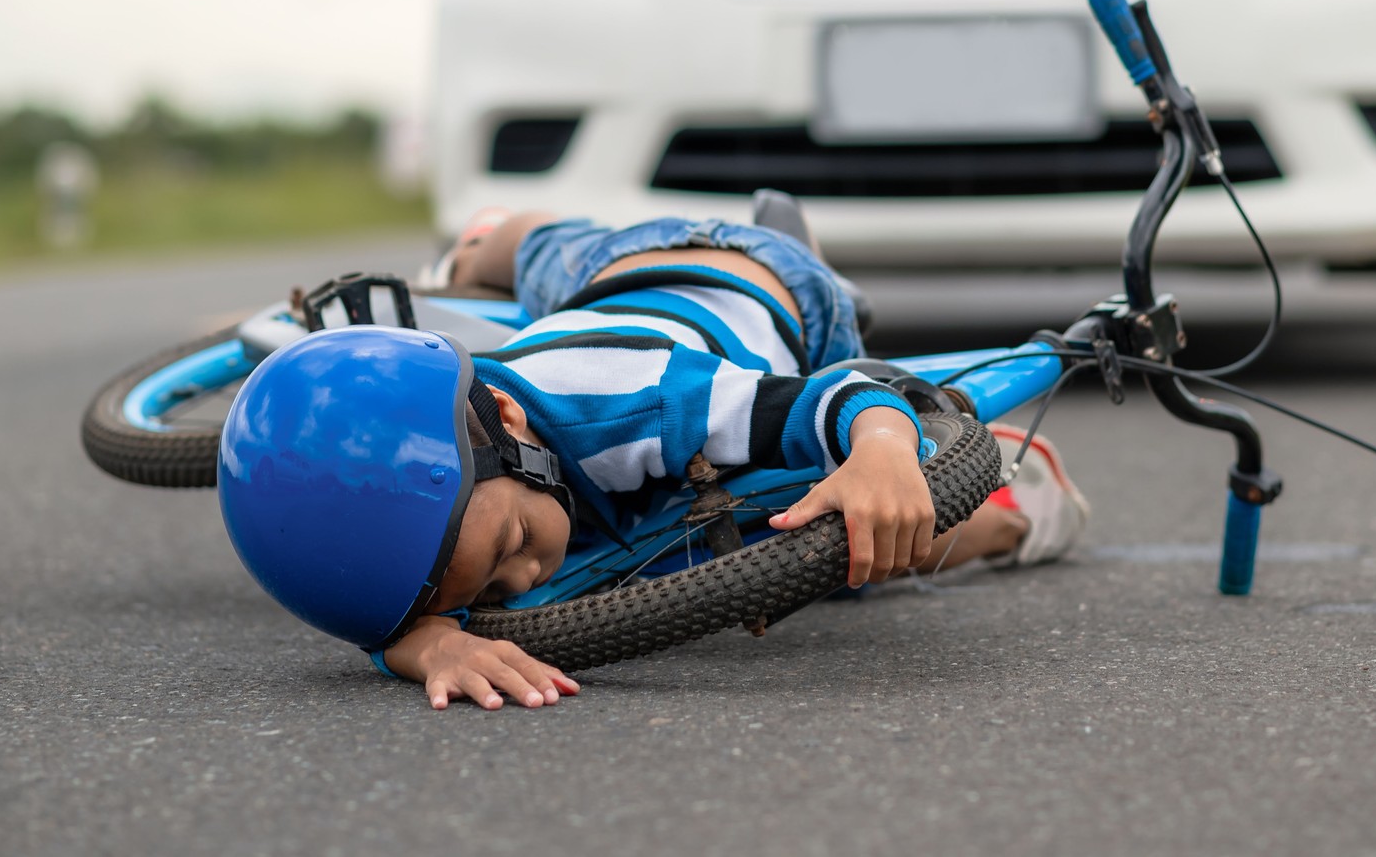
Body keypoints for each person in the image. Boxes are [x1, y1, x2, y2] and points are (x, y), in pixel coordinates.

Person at [218, 205, 1090, 712]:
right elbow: (384, 609)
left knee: (849, 532)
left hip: (730, 272)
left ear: (511, 420)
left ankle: (1017, 507)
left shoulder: (635, 403)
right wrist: (421, 646)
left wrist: (887, 447)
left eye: (508, 547)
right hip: (605, 321)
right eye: (482, 598)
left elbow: (832, 396)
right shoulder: (494, 487)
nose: (520, 584)